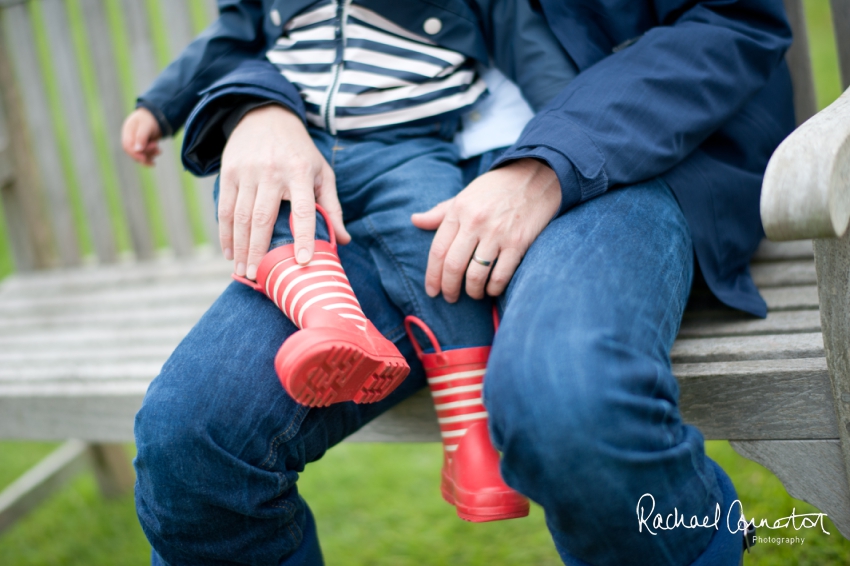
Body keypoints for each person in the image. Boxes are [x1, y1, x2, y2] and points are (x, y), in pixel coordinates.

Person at [124, 0, 795, 564]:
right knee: (191, 438)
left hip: (620, 158)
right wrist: (254, 106)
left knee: (566, 400)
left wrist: (552, 158)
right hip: (383, 186)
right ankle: (333, 315)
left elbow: (732, 19)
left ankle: (698, 539)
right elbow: (256, 32)